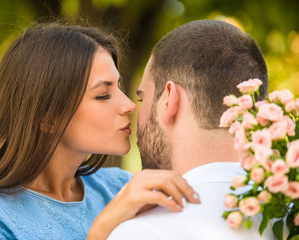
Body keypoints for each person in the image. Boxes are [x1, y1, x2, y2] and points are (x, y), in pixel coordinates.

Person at [0, 22, 199, 240]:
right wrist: (102, 232)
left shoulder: (121, 187)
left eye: (119, 88)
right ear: (48, 117)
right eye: (103, 95)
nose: (129, 105)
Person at [107, 20, 276, 239]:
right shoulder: (287, 215)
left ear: (169, 99)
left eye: (142, 98)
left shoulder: (140, 231)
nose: (132, 111)